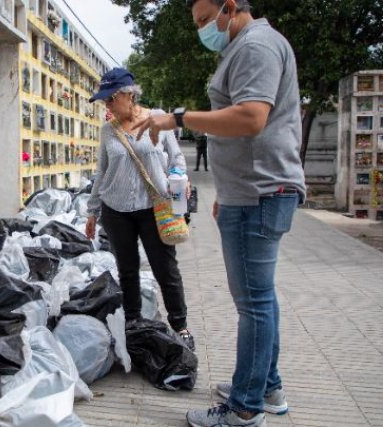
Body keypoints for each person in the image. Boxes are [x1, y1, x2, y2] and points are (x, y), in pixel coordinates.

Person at [131, 1, 305, 426]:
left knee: (254, 305)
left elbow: (250, 117)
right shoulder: (248, 46)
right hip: (251, 192)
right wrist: (226, 191)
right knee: (261, 301)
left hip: (259, 193)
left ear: (231, 7)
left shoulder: (255, 46)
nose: (203, 30)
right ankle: (266, 387)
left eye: (206, 20)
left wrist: (177, 119)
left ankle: (244, 409)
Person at [85, 67, 195, 350]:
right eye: (105, 101)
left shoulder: (158, 119)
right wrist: (92, 211)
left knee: (165, 268)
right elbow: (102, 171)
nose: (107, 106)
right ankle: (133, 323)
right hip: (116, 209)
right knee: (128, 270)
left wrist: (179, 179)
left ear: (128, 95)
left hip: (153, 207)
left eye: (111, 99)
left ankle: (180, 326)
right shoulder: (108, 131)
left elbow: (177, 157)